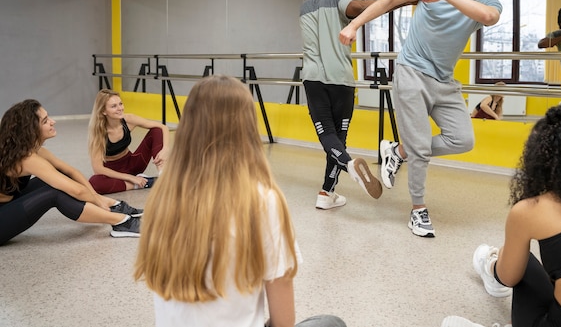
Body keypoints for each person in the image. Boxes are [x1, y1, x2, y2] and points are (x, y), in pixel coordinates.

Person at [134, 75, 345, 327]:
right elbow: (282, 320)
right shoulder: (262, 199)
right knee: (330, 323)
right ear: (246, 127)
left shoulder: (163, 195)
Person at [340, 0, 502, 237]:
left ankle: (398, 150)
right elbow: (389, 0)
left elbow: (487, 17)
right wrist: (353, 25)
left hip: (445, 82)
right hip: (411, 72)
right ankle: (418, 210)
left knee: (463, 139)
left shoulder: (487, 1)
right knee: (422, 149)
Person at [450, 104, 561, 327]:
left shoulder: (530, 210)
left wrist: (495, 263)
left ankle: (490, 261)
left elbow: (508, 277)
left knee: (517, 264)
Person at [300, 0, 384, 210]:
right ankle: (346, 167)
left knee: (327, 135)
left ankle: (326, 194)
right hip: (341, 80)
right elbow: (357, 7)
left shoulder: (305, 7)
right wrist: (393, 0)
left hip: (312, 78)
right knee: (339, 137)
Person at [0, 99, 142, 244]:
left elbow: (70, 171)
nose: (52, 122)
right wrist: (97, 202)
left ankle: (114, 205)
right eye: (45, 121)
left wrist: (99, 198)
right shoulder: (27, 159)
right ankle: (121, 221)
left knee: (59, 178)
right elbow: (77, 191)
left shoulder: (28, 150)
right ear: (30, 130)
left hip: (7, 205)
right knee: (54, 192)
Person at [88, 89, 170, 194]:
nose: (120, 108)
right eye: (114, 106)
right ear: (104, 111)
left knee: (156, 131)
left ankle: (163, 176)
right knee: (94, 183)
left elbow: (163, 127)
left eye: (120, 104)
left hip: (132, 164)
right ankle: (138, 184)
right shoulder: (98, 132)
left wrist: (165, 149)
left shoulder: (129, 119)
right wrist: (131, 178)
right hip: (113, 172)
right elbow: (98, 169)